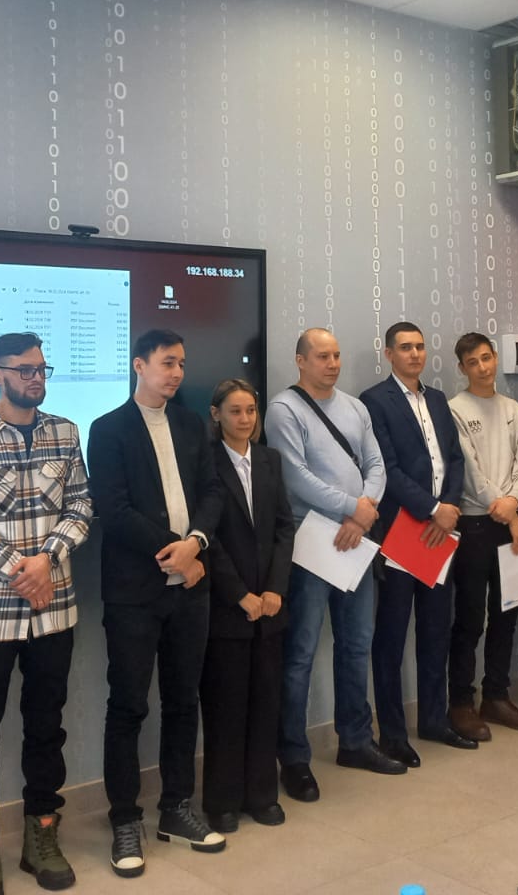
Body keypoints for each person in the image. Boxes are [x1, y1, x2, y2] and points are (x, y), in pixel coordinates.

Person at [0, 332, 92, 893]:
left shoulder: (65, 432)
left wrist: (46, 560)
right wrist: (20, 570)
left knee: (46, 727)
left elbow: (81, 505)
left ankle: (42, 836)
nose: (36, 378)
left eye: (41, 369)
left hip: (53, 611)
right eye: (25, 369)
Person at [87, 328, 227, 877]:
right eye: (168, 362)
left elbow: (212, 492)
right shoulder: (108, 429)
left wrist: (196, 544)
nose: (177, 373)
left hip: (191, 590)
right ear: (139, 365)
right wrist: (175, 552)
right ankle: (125, 819)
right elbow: (114, 510)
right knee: (128, 707)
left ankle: (176, 808)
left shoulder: (191, 425)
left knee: (183, 702)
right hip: (134, 593)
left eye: (182, 364)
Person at [264, 328, 404, 804]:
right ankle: (294, 757)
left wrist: (363, 513)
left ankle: (356, 741)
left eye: (337, 355)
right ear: (300, 360)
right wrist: (352, 508)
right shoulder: (284, 408)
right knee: (300, 654)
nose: (332, 363)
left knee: (356, 645)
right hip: (312, 542)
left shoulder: (356, 407)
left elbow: (377, 465)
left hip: (356, 541)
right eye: (322, 356)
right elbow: (294, 476)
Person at [360, 321, 475, 764]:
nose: (414, 354)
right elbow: (386, 468)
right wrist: (431, 508)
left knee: (435, 629)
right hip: (402, 532)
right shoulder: (375, 400)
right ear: (389, 353)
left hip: (440, 532)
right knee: (391, 635)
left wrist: (448, 508)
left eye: (420, 347)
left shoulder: (439, 399)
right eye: (405, 347)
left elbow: (455, 459)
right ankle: (392, 733)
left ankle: (433, 719)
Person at [198, 379, 295, 834]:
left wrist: (275, 589)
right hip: (227, 606)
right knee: (226, 705)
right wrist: (239, 594)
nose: (245, 419)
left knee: (266, 701)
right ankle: (222, 801)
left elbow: (284, 528)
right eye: (235, 411)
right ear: (216, 414)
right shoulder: (205, 462)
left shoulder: (270, 459)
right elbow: (209, 537)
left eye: (251, 410)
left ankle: (262, 795)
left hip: (269, 608)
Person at [445, 332, 518, 741]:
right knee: (469, 619)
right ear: (462, 368)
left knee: (507, 615)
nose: (482, 367)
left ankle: (496, 697)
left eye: (486, 358)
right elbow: (469, 472)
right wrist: (507, 511)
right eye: (473, 362)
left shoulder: (514, 409)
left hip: (512, 525)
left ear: (495, 358)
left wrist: (514, 505)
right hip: (475, 525)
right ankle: (461, 703)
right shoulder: (455, 409)